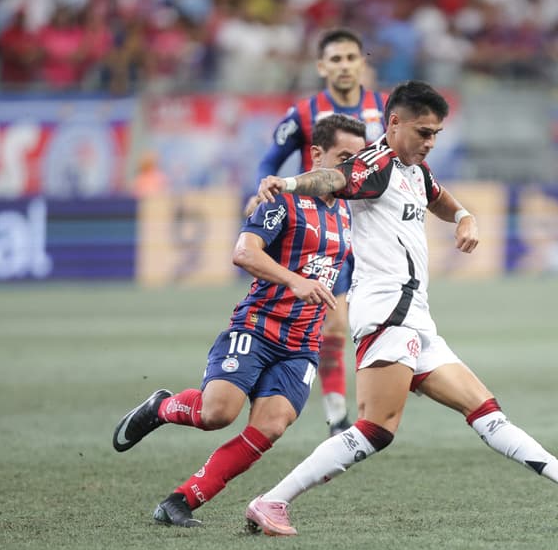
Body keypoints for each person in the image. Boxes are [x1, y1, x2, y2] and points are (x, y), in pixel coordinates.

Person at [245, 80, 558, 537]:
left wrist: (464, 216)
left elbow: (438, 197)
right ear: (393, 124)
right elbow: (334, 178)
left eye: (436, 134)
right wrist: (290, 182)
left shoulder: (415, 169)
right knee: (376, 429)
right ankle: (271, 501)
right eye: (423, 132)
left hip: (417, 317)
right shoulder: (375, 165)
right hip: (388, 313)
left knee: (487, 411)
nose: (430, 142)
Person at [112, 114, 367, 527]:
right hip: (257, 327)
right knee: (217, 414)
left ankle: (181, 501)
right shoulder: (283, 201)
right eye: (342, 158)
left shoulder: (353, 213)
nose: (349, 170)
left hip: (302, 344)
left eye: (357, 161)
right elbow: (244, 252)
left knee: (271, 426)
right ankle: (162, 407)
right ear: (316, 155)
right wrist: (294, 281)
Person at [250, 27, 388, 438]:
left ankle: (347, 407)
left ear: (362, 63)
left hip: (367, 227)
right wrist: (261, 189)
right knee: (332, 322)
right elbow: (269, 161)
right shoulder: (304, 114)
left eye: (351, 58)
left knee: (357, 321)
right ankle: (335, 415)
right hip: (319, 229)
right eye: (336, 59)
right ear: (322, 66)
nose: (345, 66)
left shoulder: (384, 109)